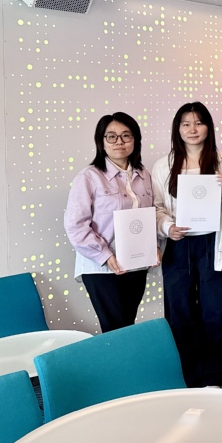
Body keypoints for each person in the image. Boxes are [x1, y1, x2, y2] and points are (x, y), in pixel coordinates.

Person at [152, 102, 222, 387]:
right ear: (177, 129)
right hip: (178, 244)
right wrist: (168, 227)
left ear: (208, 127)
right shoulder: (163, 165)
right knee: (180, 312)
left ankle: (213, 377)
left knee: (215, 312)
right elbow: (156, 206)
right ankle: (187, 376)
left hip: (212, 242)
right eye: (186, 124)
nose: (193, 129)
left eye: (199, 123)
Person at [64, 112, 158, 333]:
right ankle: (119, 357)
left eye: (126, 135)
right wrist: (105, 255)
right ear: (101, 141)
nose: (119, 142)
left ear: (135, 140)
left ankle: (126, 356)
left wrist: (153, 246)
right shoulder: (89, 177)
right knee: (115, 327)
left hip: (135, 262)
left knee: (127, 322)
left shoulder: (143, 174)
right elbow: (76, 225)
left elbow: (149, 216)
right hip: (102, 266)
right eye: (112, 136)